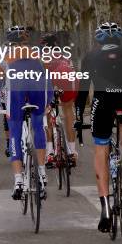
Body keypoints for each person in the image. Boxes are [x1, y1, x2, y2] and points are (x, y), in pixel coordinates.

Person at [75, 22, 122, 233]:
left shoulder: (90, 57)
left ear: (98, 39)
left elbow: (83, 90)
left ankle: (105, 208)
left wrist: (78, 116)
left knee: (101, 148)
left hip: (102, 102)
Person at [0, 28, 52, 200]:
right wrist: (49, 101)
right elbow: (48, 80)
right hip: (39, 93)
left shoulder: (3, 56)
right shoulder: (38, 53)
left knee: (15, 132)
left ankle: (18, 180)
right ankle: (42, 173)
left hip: (16, 94)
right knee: (38, 126)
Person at [40, 32, 79, 168]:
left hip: (52, 79)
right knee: (68, 112)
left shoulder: (43, 56)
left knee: (48, 111)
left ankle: (50, 152)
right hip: (70, 79)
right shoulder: (66, 54)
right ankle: (72, 152)